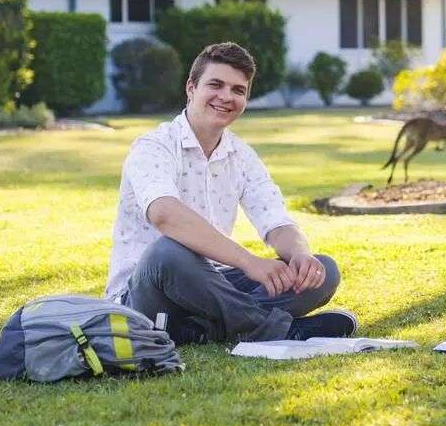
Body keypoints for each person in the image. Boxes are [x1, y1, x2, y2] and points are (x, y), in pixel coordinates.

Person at [105, 41, 356, 344]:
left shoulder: (241, 154)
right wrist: (251, 263)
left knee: (322, 271)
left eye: (238, 90)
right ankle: (281, 330)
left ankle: (200, 329)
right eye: (216, 84)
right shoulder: (153, 146)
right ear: (191, 88)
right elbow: (165, 215)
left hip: (210, 285)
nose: (226, 97)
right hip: (147, 290)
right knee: (167, 251)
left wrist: (300, 255)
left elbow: (275, 218)